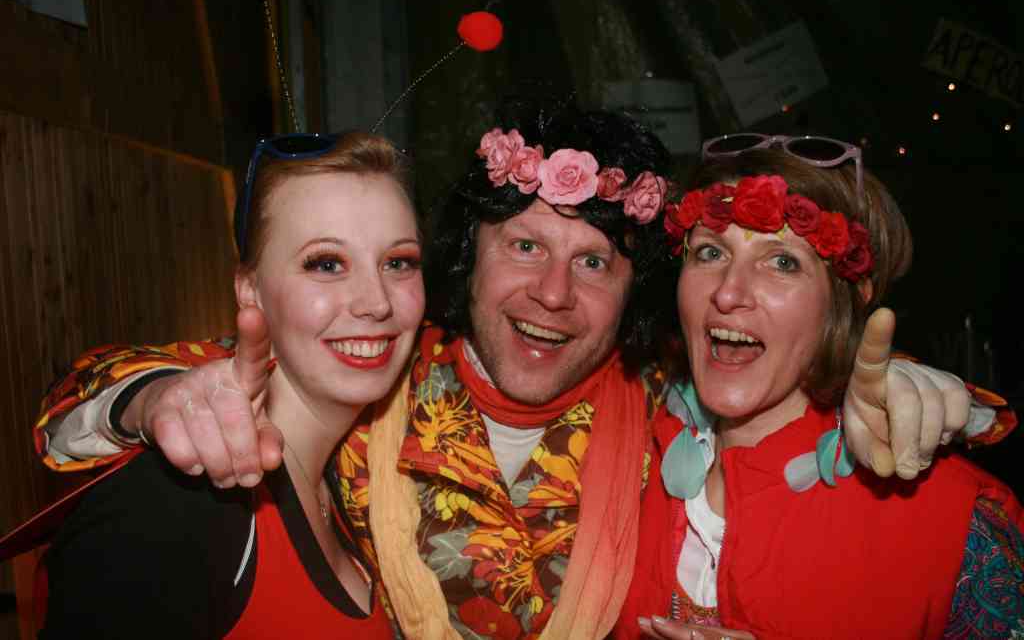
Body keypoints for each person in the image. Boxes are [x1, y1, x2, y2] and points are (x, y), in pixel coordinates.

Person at [30, 109, 1004, 640]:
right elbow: (132, 390)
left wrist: (930, 393)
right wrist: (148, 400)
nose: (552, 293)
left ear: (632, 295)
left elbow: (797, 402)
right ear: (465, 258)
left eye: (595, 262)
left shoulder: (660, 414)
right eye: (524, 245)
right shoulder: (371, 370)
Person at [616, 138, 1024, 640]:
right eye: (710, 252)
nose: (727, 292)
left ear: (845, 301)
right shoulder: (627, 448)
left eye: (782, 262)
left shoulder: (951, 519)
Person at [39, 131, 422, 638]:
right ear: (250, 290)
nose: (376, 302)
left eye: (398, 262)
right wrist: (145, 398)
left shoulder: (349, 473)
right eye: (327, 264)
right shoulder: (186, 503)